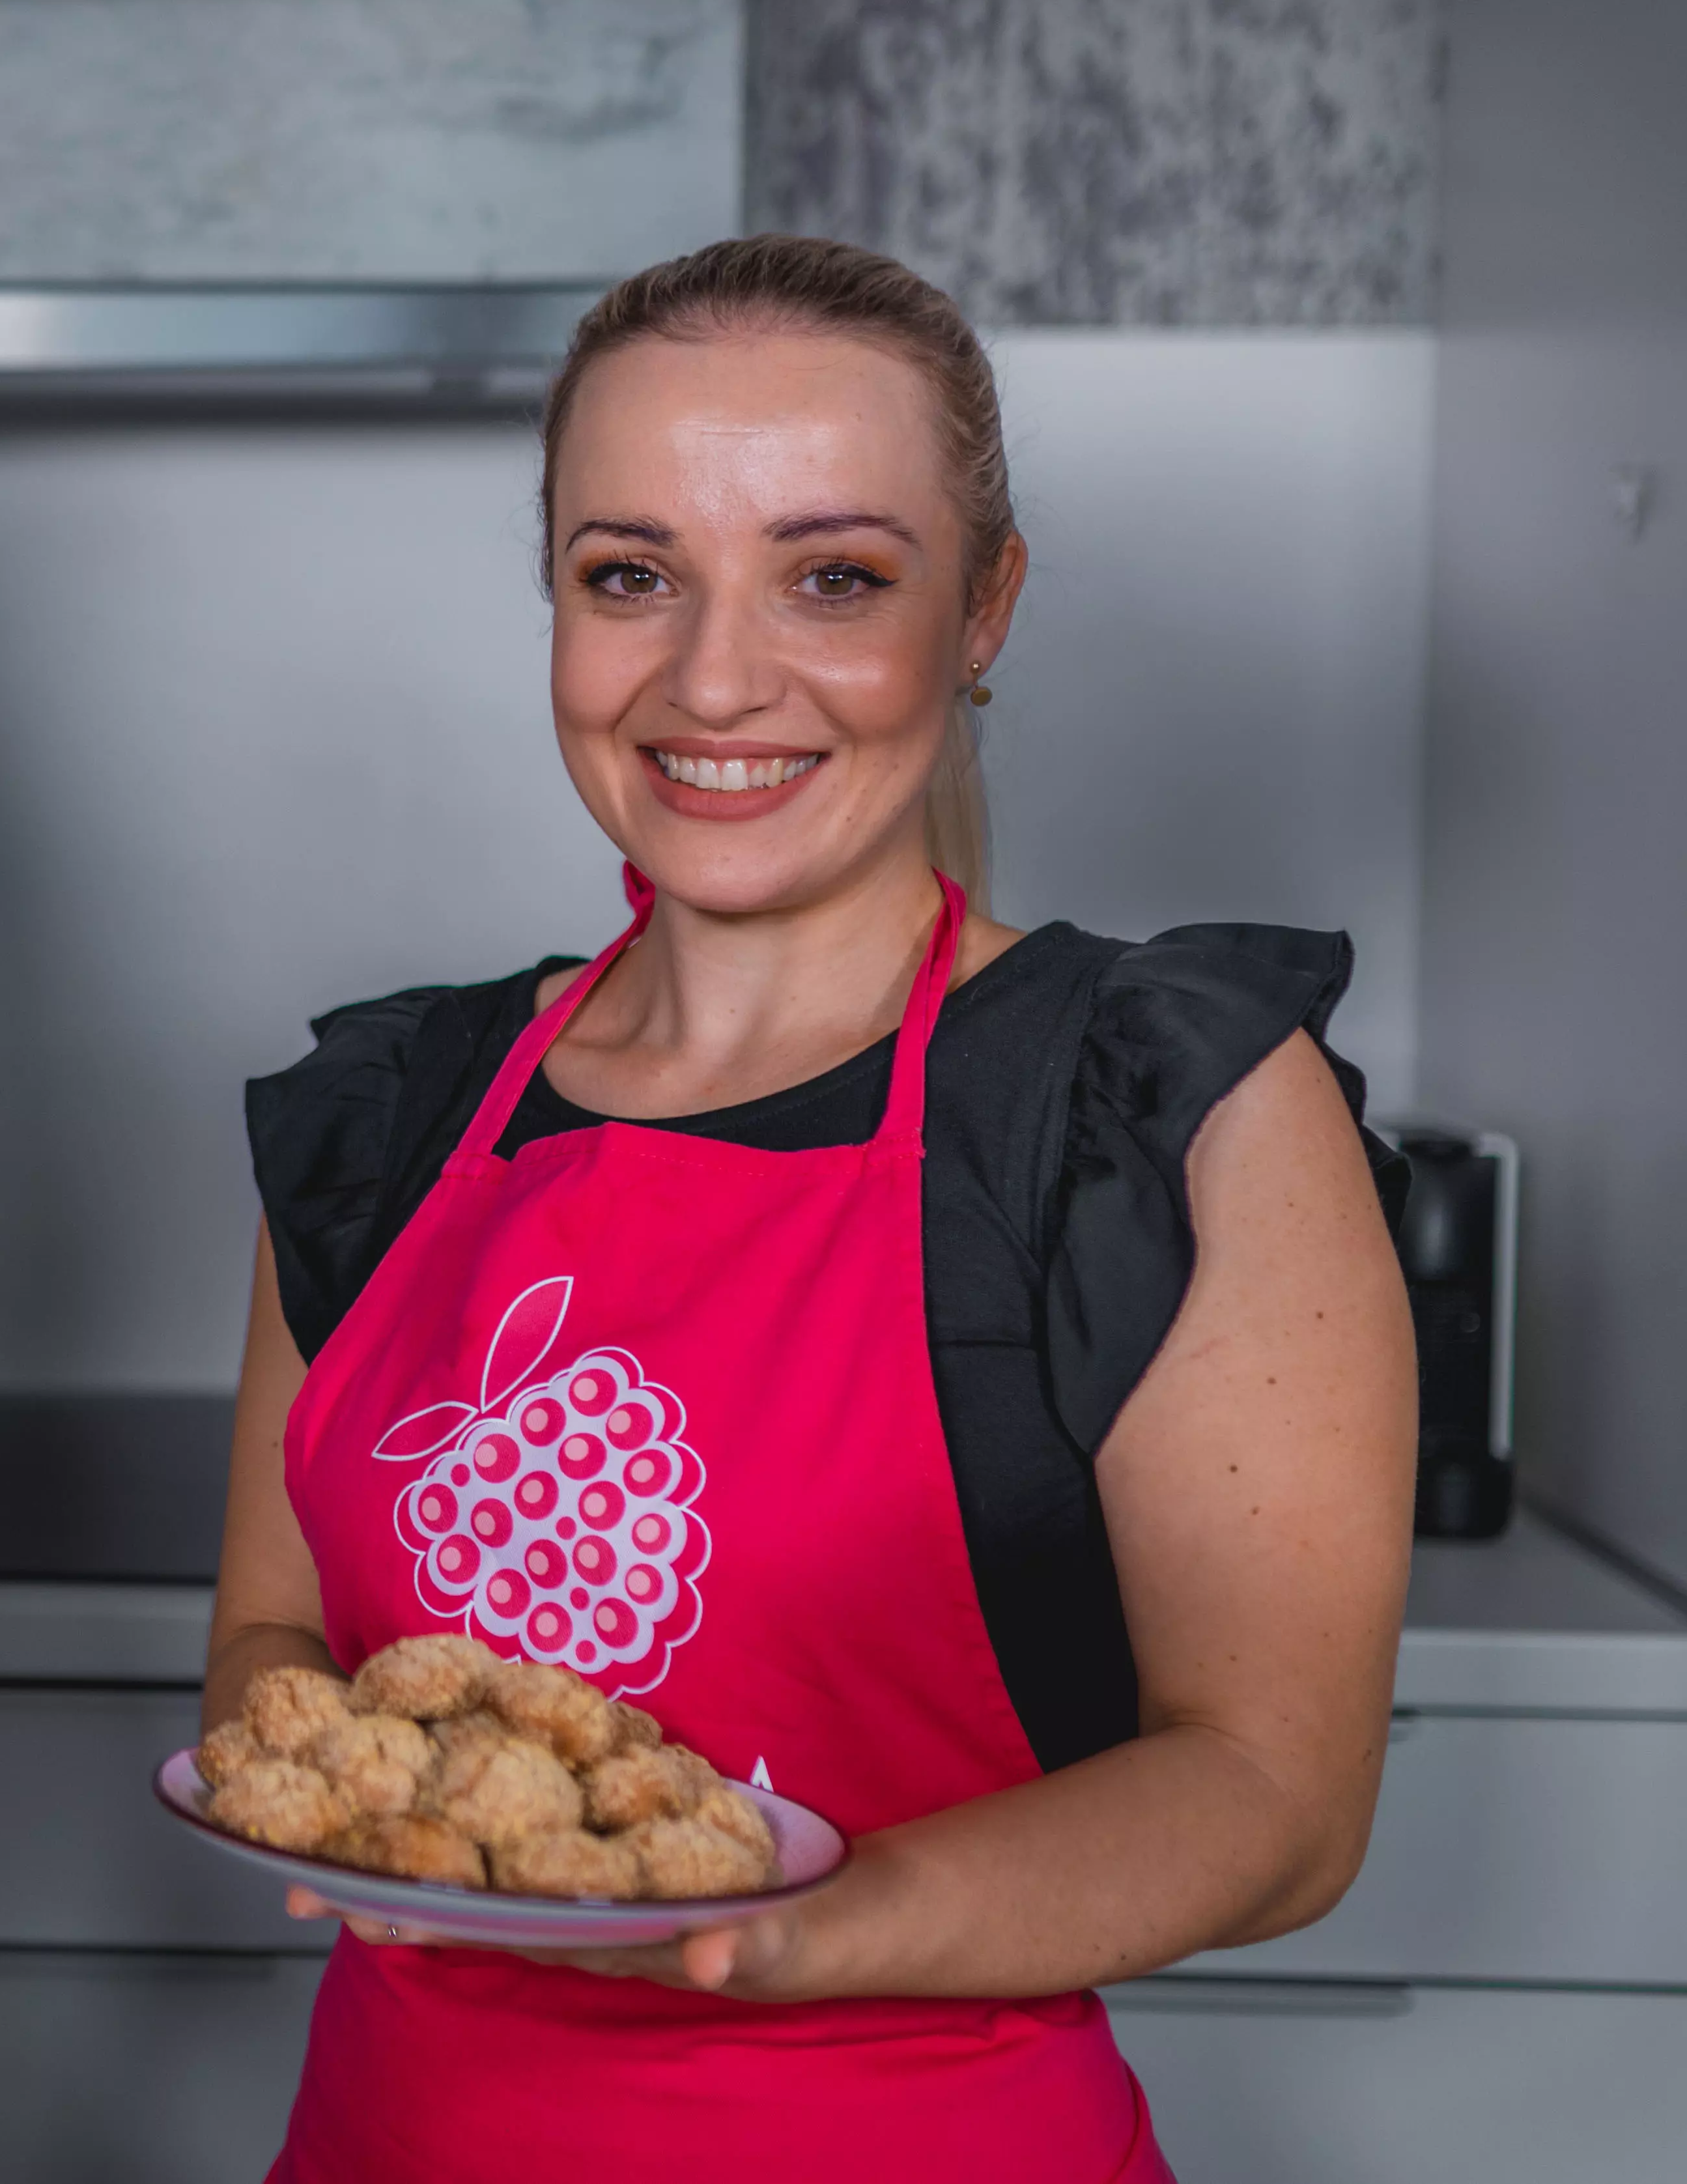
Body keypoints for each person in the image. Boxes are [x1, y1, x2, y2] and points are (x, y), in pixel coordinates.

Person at [211, 236, 1417, 2181]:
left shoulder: (1146, 1104)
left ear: (983, 610)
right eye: (632, 577)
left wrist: (794, 1928)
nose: (713, 677)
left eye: (834, 577)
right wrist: (333, 1802)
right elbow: (272, 1631)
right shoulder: (397, 1113)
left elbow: (1275, 1793)